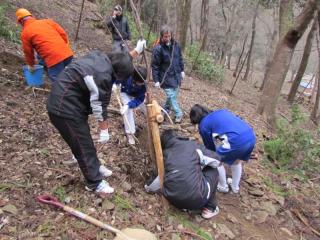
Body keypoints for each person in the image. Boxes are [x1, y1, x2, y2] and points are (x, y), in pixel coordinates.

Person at [46, 39, 146, 197]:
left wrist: (136, 51)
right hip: (63, 108)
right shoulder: (103, 77)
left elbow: (122, 59)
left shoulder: (102, 57)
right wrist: (104, 129)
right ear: (118, 74)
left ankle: (95, 165)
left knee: (84, 139)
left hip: (70, 101)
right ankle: (94, 183)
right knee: (82, 144)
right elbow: (99, 106)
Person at [145, 130, 221, 219]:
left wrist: (147, 186)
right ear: (178, 137)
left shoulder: (163, 157)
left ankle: (186, 205)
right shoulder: (191, 146)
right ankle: (210, 208)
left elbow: (151, 187)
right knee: (213, 170)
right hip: (197, 198)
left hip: (175, 201)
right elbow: (217, 161)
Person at [190, 104, 256, 194]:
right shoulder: (221, 112)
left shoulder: (203, 125)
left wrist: (214, 156)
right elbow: (223, 134)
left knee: (217, 159)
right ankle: (235, 186)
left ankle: (223, 186)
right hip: (250, 136)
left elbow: (210, 148)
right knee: (237, 161)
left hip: (235, 140)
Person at [16, 8, 73, 82]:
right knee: (70, 75)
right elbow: (63, 34)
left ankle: (64, 93)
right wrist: (63, 47)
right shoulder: (47, 21)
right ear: (31, 16)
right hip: (67, 54)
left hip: (54, 58)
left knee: (57, 81)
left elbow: (28, 52)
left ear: (21, 21)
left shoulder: (25, 32)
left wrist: (31, 65)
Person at [151, 25, 185, 123]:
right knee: (171, 96)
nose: (167, 38)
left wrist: (182, 70)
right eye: (165, 36)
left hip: (176, 75)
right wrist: (156, 80)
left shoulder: (176, 45)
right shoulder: (158, 49)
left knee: (172, 96)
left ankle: (165, 112)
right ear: (161, 37)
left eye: (169, 36)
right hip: (165, 77)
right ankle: (179, 114)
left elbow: (180, 58)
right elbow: (155, 65)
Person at [117, 66, 147, 145]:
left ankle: (150, 123)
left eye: (142, 83)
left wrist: (129, 104)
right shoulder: (127, 74)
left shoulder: (144, 84)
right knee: (128, 111)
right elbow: (117, 78)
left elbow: (139, 99)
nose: (141, 84)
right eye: (139, 83)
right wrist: (114, 84)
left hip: (137, 96)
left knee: (145, 106)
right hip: (125, 93)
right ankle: (130, 133)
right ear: (134, 78)